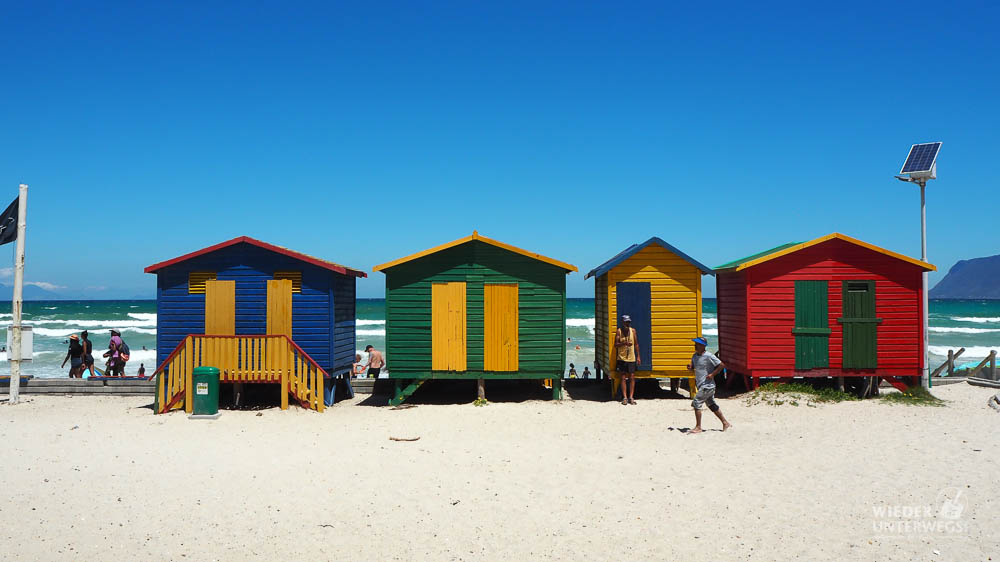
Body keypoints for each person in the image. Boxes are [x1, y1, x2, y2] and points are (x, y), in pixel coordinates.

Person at [687, 337, 732, 434]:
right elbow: (694, 367)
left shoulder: (709, 356)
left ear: (703, 346)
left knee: (696, 403)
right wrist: (690, 367)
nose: (695, 345)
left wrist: (712, 374)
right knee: (711, 404)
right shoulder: (694, 356)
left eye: (697, 344)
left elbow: (721, 365)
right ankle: (725, 423)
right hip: (701, 384)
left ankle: (698, 427)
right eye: (695, 344)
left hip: (708, 385)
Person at [615, 315, 640, 405]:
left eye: (629, 322)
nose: (627, 323)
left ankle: (631, 397)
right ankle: (625, 397)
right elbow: (616, 345)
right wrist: (624, 343)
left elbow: (636, 344)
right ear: (623, 322)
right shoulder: (619, 331)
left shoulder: (633, 331)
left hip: (631, 358)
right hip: (622, 357)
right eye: (626, 322)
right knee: (623, 377)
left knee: (632, 377)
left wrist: (638, 356)